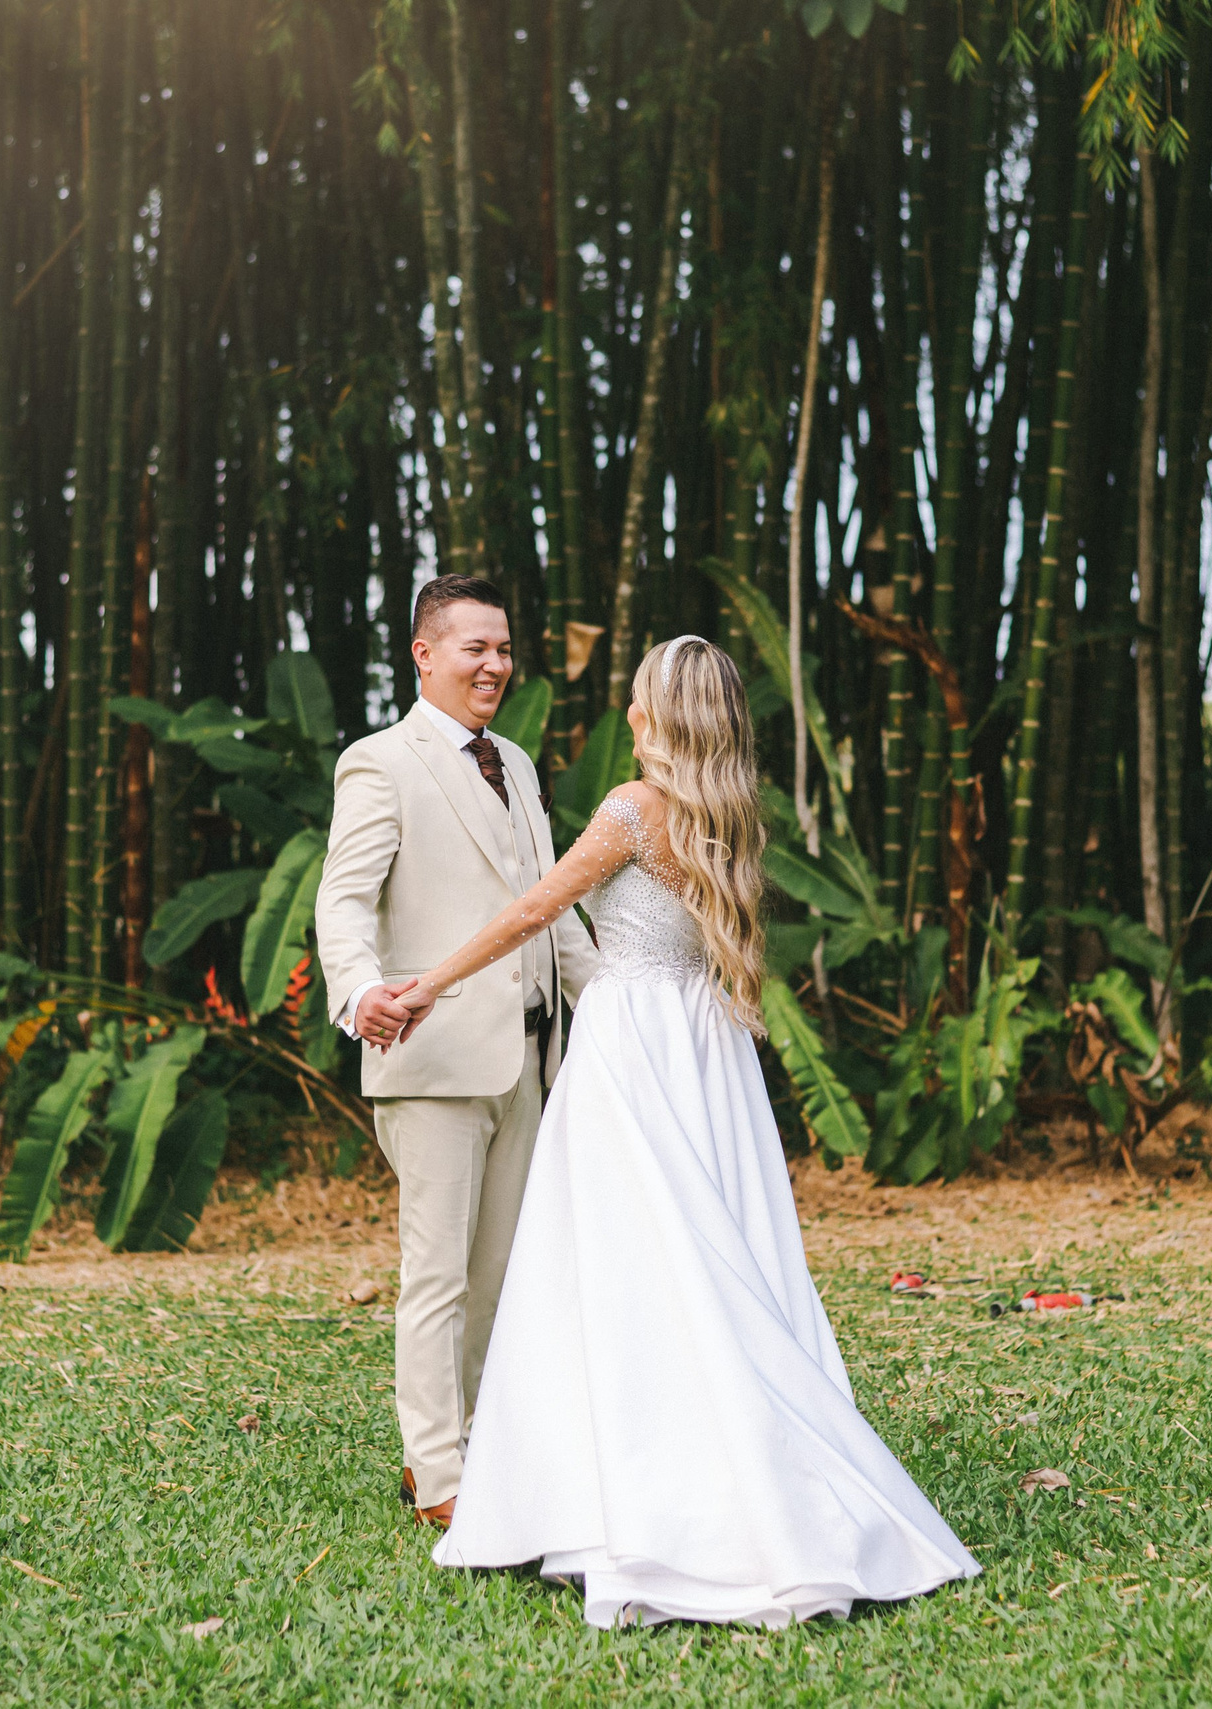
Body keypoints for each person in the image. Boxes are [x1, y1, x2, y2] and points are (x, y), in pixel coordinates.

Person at [381, 634, 979, 1629]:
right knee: (712, 1256)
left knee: (624, 1264)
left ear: (653, 710)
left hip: (630, 1046)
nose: (624, 708)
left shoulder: (630, 806)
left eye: (634, 695)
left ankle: (641, 1494)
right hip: (709, 1045)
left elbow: (536, 907)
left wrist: (425, 985)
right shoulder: (727, 812)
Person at [312, 576, 598, 1530]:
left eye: (506, 648)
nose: (496, 666)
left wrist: (612, 1007)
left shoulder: (514, 761)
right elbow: (344, 902)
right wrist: (359, 994)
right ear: (424, 654)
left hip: (527, 1059)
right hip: (432, 1059)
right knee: (434, 1275)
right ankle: (437, 1474)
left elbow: (544, 905)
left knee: (497, 1275)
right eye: (475, 647)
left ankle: (473, 1440)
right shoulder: (378, 762)